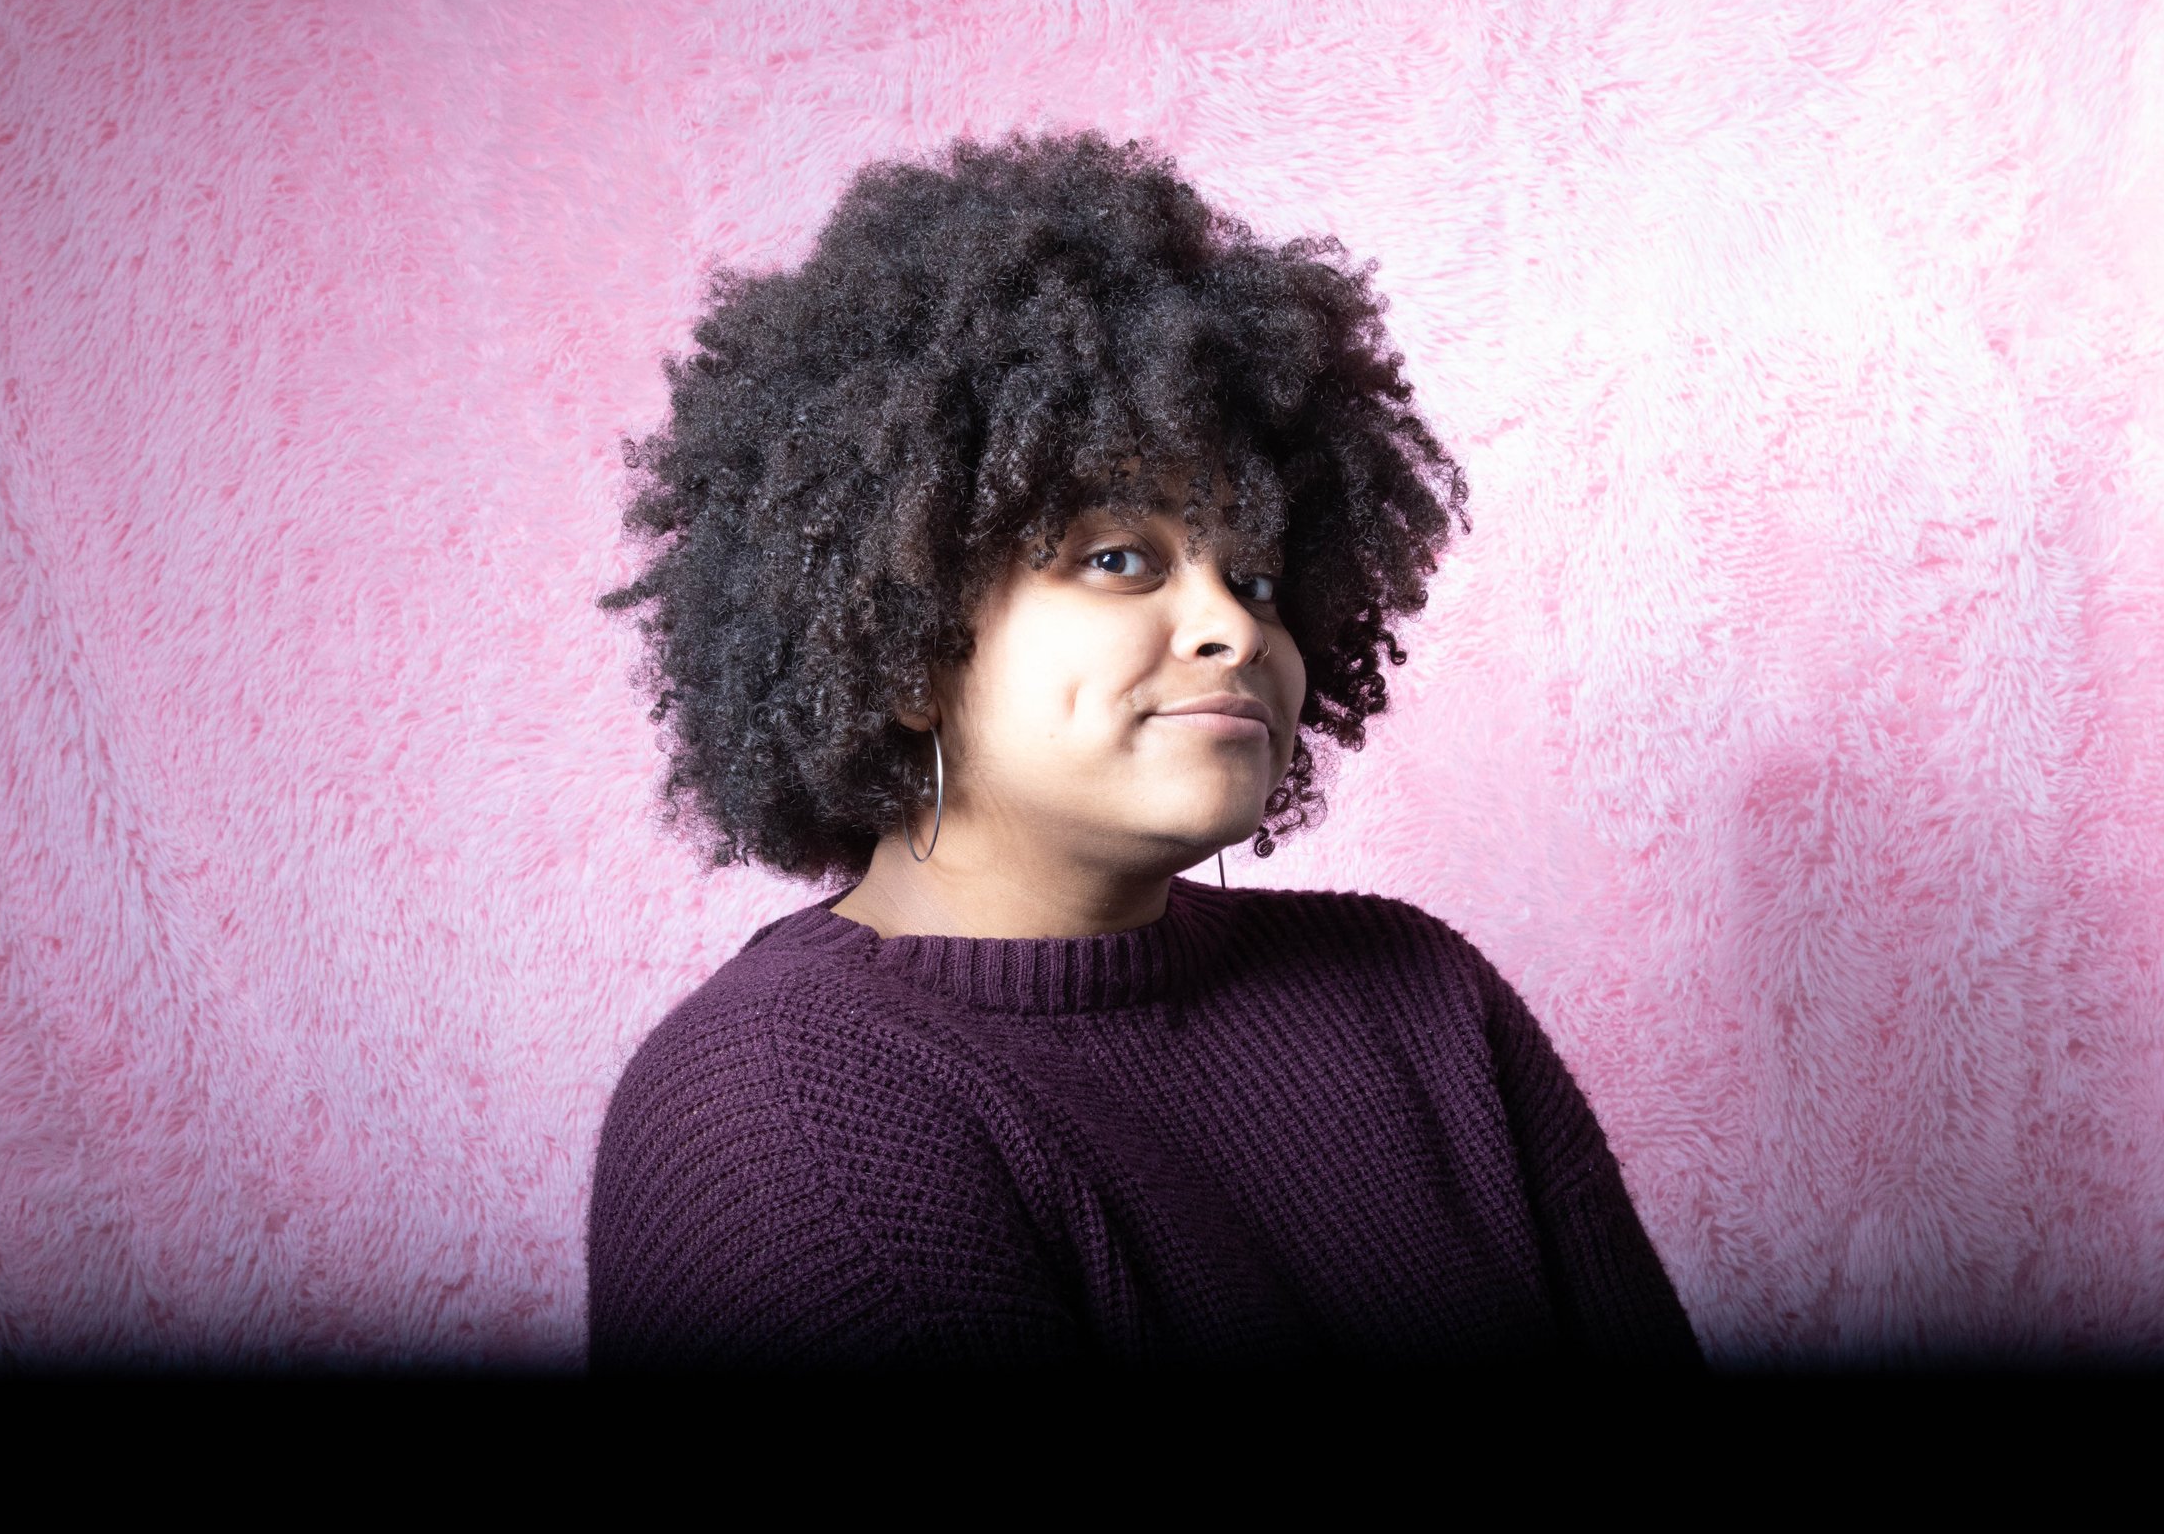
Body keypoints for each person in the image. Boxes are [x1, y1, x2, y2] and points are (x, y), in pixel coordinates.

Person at [586, 129, 1701, 1369]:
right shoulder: (782, 1110)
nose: (1237, 626)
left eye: (1259, 574)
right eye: (1119, 557)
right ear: (900, 643)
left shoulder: (1421, 998)